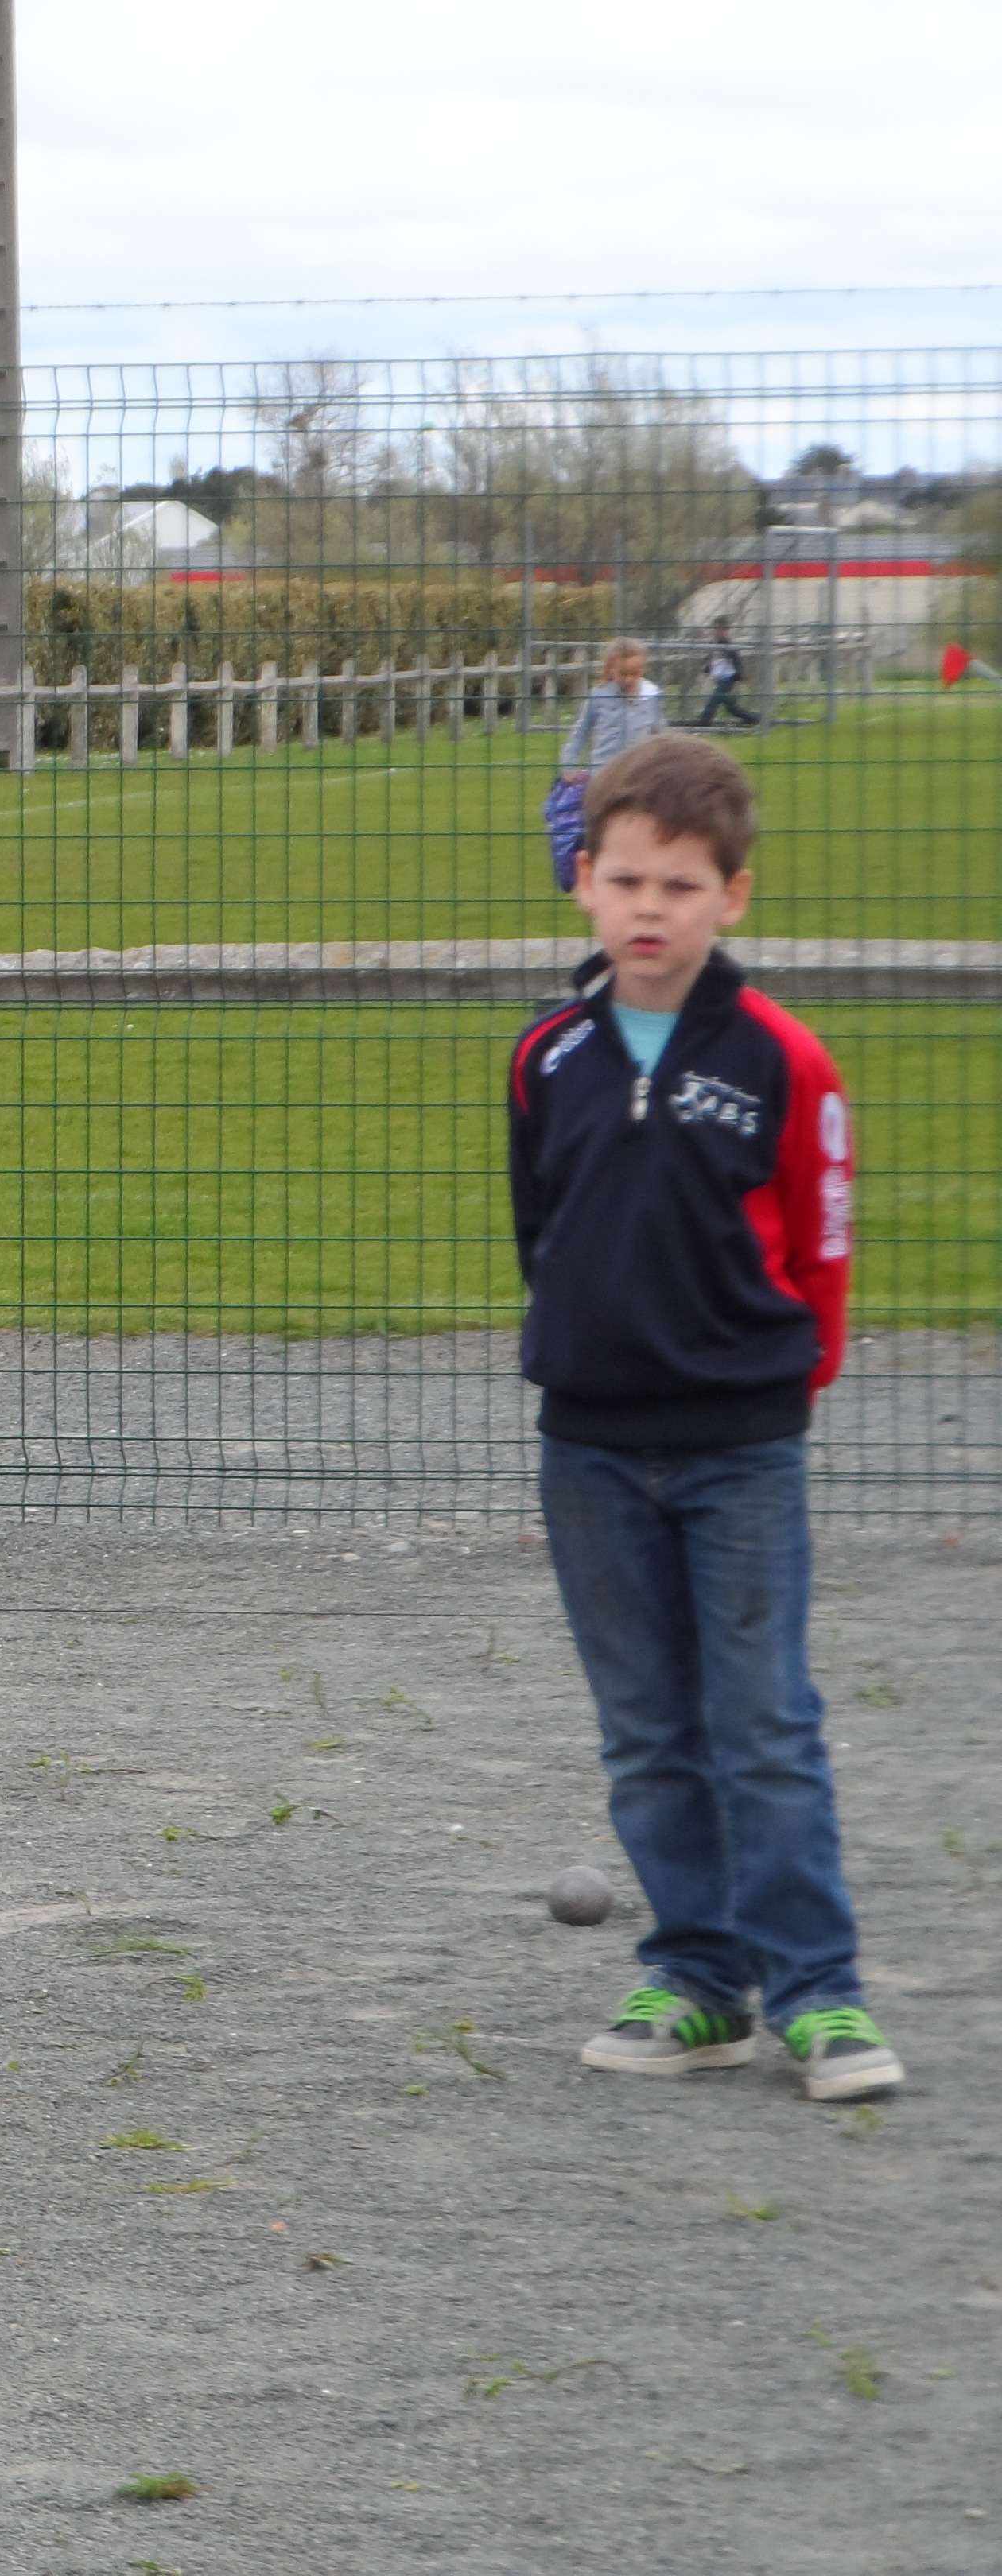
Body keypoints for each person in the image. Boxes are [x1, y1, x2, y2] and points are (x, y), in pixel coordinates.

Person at [506, 733, 900, 2105]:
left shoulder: (789, 1061)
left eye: (681, 883)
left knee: (763, 1723)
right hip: (592, 1447)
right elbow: (540, 1229)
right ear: (584, 885)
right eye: (626, 880)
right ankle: (696, 1977)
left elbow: (824, 1247)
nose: (650, 908)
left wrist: (775, 1387)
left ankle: (822, 1997)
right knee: (649, 1731)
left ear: (734, 894)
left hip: (741, 1447)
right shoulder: (546, 1057)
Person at [557, 635, 664, 786]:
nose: (628, 680)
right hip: (603, 773)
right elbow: (581, 732)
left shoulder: (651, 695)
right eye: (623, 674)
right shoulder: (599, 696)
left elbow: (661, 734)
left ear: (643, 668)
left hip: (640, 774)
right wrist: (569, 765)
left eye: (634, 674)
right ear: (611, 669)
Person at [693, 619, 756, 728]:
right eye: (714, 629)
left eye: (718, 629)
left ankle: (703, 722)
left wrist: (738, 675)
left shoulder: (728, 644)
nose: (715, 632)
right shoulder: (714, 643)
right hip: (719, 678)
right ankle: (755, 719)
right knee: (731, 707)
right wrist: (707, 669)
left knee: (714, 699)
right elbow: (714, 660)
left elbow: (737, 660)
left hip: (728, 678)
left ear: (724, 630)